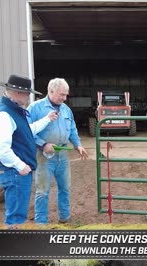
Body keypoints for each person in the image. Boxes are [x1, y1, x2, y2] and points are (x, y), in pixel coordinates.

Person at [0, 74, 58, 228]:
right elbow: (0, 148)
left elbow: (28, 130)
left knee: (18, 209)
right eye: (28, 93)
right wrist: (20, 165)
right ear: (18, 93)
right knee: (16, 212)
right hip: (14, 171)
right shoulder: (4, 114)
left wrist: (47, 119)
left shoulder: (14, 112)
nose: (29, 97)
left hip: (16, 170)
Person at [27, 78, 88, 224]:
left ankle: (64, 218)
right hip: (43, 156)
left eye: (66, 95)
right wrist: (42, 145)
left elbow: (72, 129)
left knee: (65, 187)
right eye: (62, 94)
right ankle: (41, 223)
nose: (65, 98)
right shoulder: (35, 108)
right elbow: (27, 132)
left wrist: (78, 144)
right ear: (51, 91)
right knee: (42, 190)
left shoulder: (66, 109)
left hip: (62, 155)